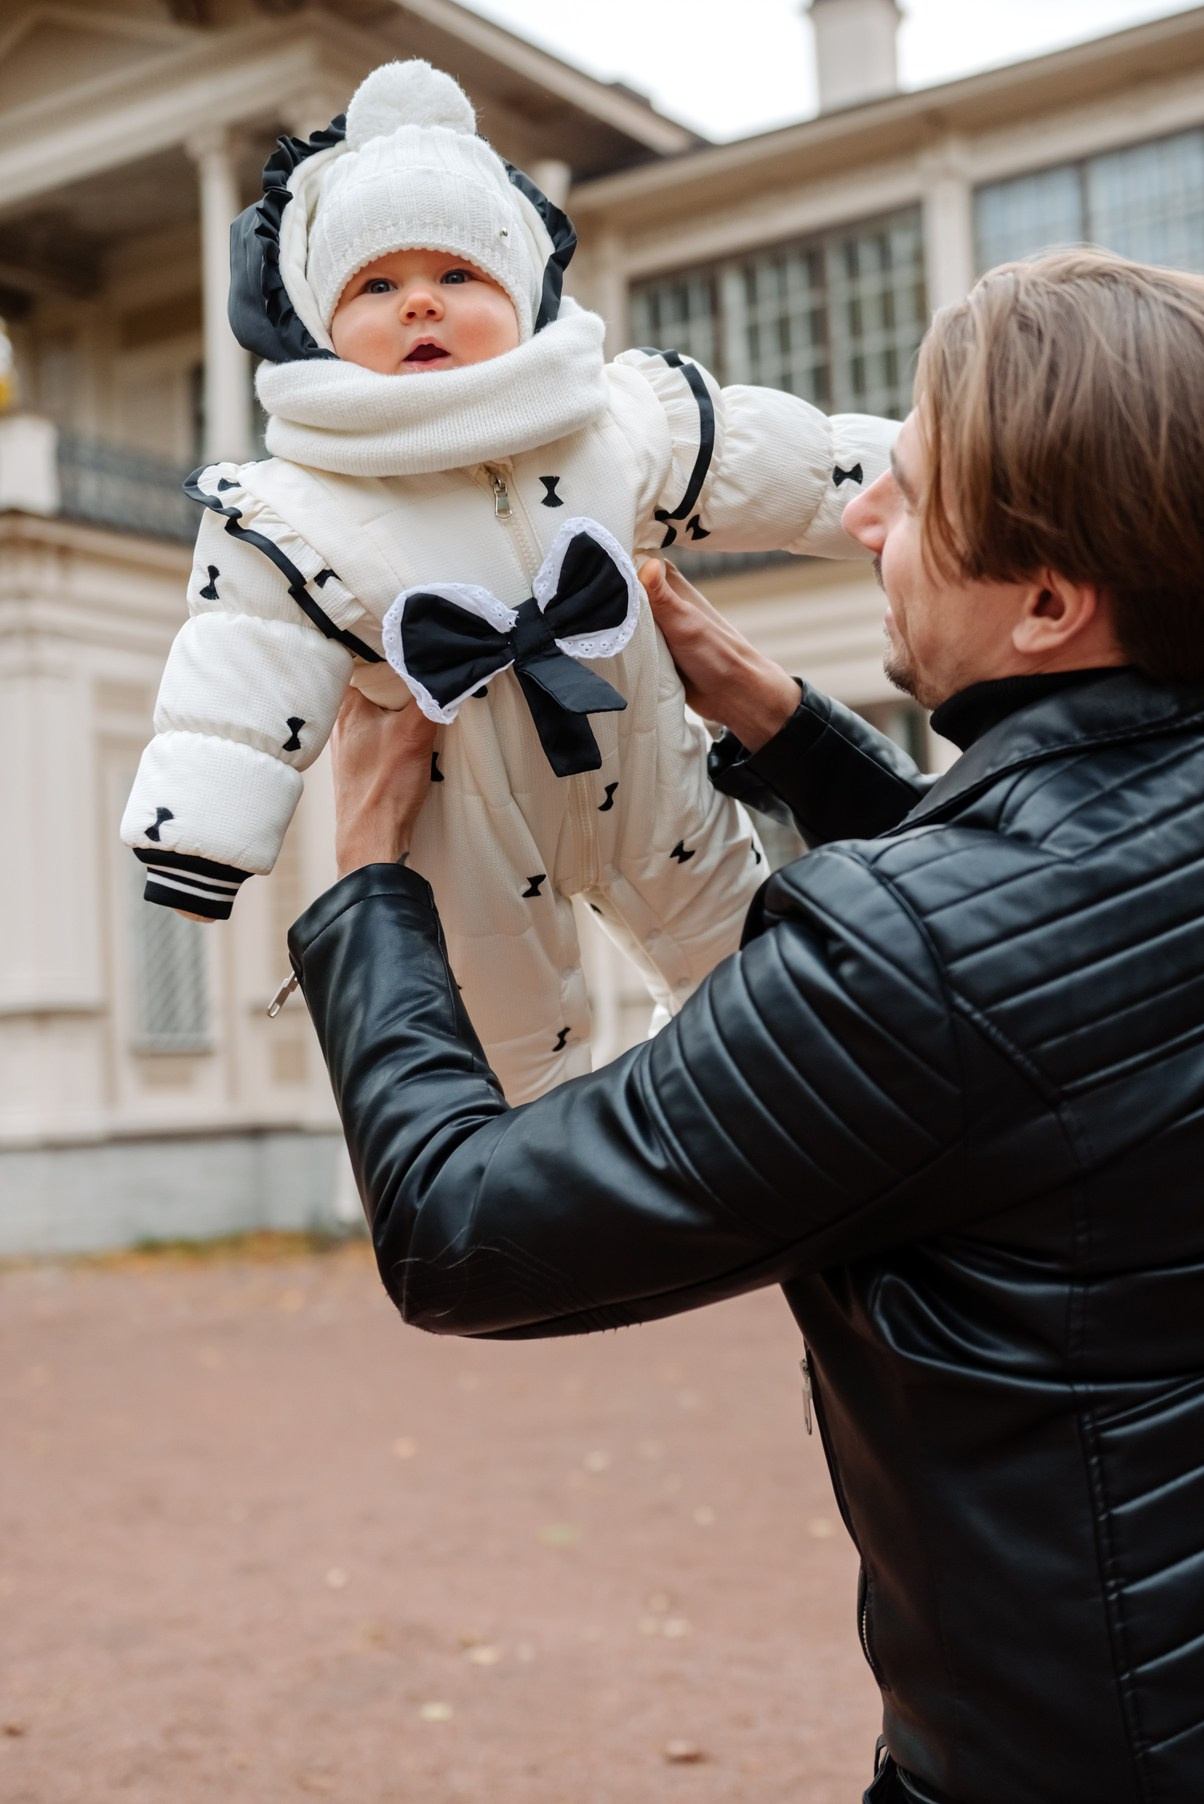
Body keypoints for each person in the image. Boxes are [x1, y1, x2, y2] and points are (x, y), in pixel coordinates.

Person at [285, 247, 1204, 1802]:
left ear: (1050, 600)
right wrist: (781, 721)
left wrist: (368, 882)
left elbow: (465, 1229)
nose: (861, 517)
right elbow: (1055, 964)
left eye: (913, 500)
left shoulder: (904, 968)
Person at [119, 57, 895, 1104]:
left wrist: (932, 490)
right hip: (465, 826)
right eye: (376, 286)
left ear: (523, 288)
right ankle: (563, 1215)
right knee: (511, 1059)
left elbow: (781, 460)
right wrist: (200, 840)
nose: (420, 307)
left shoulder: (611, 418)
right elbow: (238, 665)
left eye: (459, 277)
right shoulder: (297, 506)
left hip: (654, 774)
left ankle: (781, 1131)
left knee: (749, 972)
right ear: (313, 314)